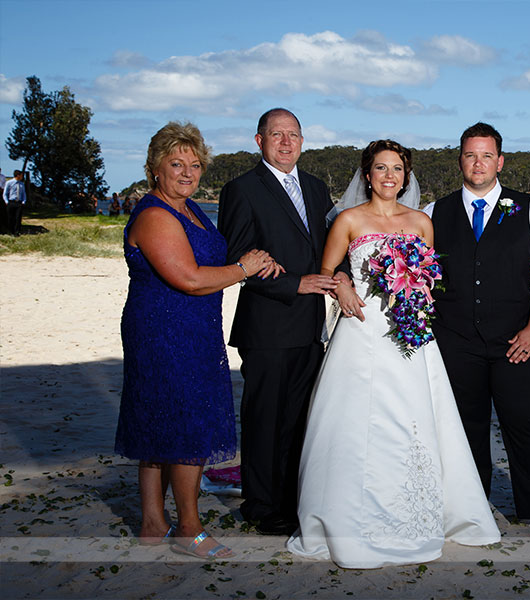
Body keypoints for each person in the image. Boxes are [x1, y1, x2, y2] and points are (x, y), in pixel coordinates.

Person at [287, 140, 500, 568]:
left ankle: (414, 513)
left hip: (409, 337)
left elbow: (429, 280)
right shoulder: (349, 220)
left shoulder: (421, 222)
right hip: (361, 334)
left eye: (398, 169)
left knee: (412, 419)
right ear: (367, 175)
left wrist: (417, 298)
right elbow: (325, 272)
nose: (390, 176)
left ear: (406, 176)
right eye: (381, 168)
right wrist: (343, 283)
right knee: (353, 423)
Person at [115, 121, 280, 560]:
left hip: (193, 326)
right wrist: (244, 269)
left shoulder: (189, 210)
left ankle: (153, 524)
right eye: (176, 164)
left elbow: (210, 265)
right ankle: (188, 527)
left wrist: (261, 262)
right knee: (187, 424)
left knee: (161, 421)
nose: (187, 173)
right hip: (165, 330)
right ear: (155, 168)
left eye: (194, 165)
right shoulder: (154, 214)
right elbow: (188, 278)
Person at [424, 123, 530, 543]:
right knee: (465, 427)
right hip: (456, 342)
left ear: (500, 161)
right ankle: (471, 507)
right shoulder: (436, 211)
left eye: (487, 155)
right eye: (471, 155)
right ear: (460, 161)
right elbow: (422, 278)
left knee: (524, 424)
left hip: (515, 342)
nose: (479, 163)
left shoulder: (527, 207)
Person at [218, 108, 348, 536]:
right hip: (269, 327)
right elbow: (240, 257)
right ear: (260, 140)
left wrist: (342, 274)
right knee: (265, 420)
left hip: (311, 328)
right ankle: (261, 507)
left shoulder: (315, 186)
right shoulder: (242, 189)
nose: (286, 142)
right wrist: (298, 284)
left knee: (299, 419)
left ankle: (293, 502)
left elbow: (332, 245)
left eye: (293, 135)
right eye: (277, 134)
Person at [4, 170, 27, 236]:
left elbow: (23, 193)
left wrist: (23, 201)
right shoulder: (9, 183)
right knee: (10, 217)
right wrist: (6, 201)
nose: (22, 177)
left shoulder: (22, 184)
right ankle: (10, 231)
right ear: (18, 175)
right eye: (21, 175)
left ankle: (17, 232)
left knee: (18, 218)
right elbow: (5, 193)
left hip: (19, 202)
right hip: (11, 202)